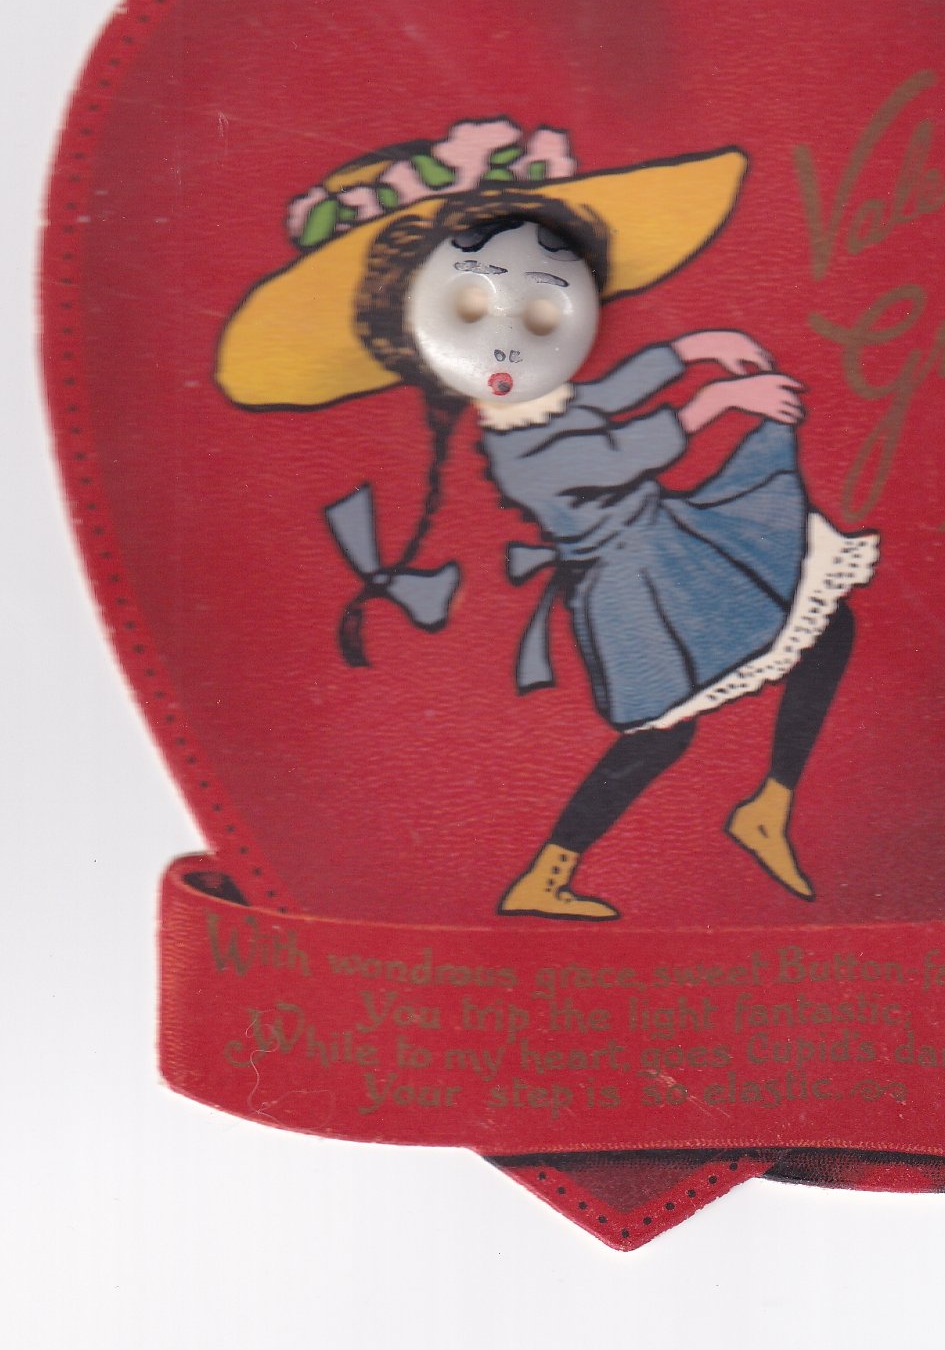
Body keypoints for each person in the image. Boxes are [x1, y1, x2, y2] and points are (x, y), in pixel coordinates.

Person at [217, 119, 878, 919]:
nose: (508, 335)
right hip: (635, 590)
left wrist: (693, 349)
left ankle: (768, 805)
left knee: (823, 624)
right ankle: (547, 874)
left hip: (672, 542)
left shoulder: (543, 403)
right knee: (664, 731)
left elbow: (605, 394)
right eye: (472, 310)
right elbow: (617, 452)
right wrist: (716, 399)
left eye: (537, 313)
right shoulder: (515, 449)